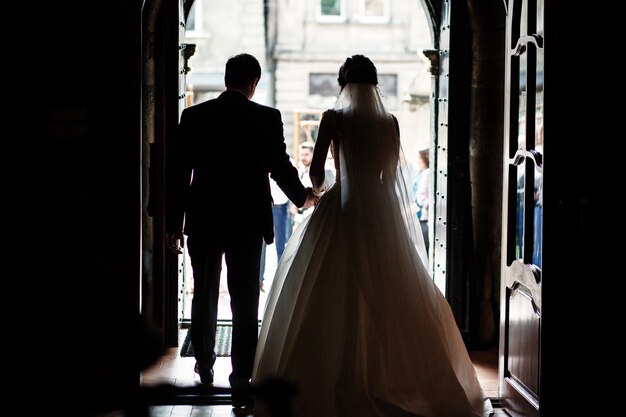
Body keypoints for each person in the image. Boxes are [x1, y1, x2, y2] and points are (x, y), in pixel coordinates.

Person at [252, 55, 493, 417]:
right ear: (375, 83)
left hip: (342, 208)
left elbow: (317, 172)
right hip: (379, 208)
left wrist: (322, 189)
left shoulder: (334, 119)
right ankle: (401, 379)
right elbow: (390, 173)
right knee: (394, 288)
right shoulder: (390, 122)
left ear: (342, 83)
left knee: (329, 289)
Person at [165, 53, 318, 415]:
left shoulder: (194, 116)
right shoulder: (266, 118)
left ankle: (204, 364)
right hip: (248, 221)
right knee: (245, 300)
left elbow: (178, 173)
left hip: (203, 218)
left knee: (203, 293)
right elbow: (279, 166)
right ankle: (241, 375)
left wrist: (173, 223)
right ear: (254, 82)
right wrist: (304, 197)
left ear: (226, 78)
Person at [415, 148, 430, 255]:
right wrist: (429, 204)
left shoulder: (427, 173)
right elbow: (420, 196)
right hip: (426, 218)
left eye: (420, 159)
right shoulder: (426, 174)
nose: (418, 162)